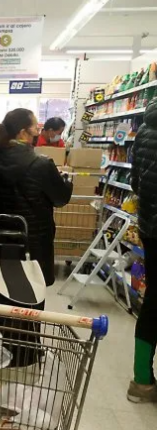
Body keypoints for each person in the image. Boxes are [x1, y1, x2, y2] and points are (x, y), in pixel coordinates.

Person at [0, 108, 72, 286]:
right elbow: (60, 198)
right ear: (23, 132)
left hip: (0, 236)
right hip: (34, 240)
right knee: (32, 291)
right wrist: (66, 180)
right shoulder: (41, 164)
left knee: (3, 286)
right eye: (35, 128)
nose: (38, 132)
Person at [128, 98, 157, 403]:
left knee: (153, 301)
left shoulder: (146, 128)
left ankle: (142, 379)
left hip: (150, 227)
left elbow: (136, 182)